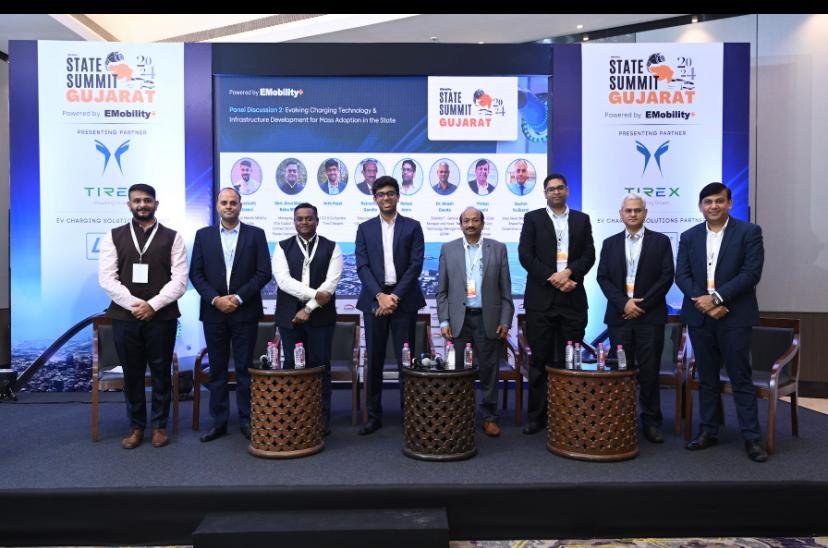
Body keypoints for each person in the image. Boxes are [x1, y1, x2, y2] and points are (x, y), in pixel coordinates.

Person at [676, 182, 768, 462]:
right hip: (700, 316)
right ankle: (709, 430)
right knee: (706, 378)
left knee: (740, 377)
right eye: (708, 202)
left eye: (719, 201)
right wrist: (703, 302)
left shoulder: (749, 232)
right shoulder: (689, 236)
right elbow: (682, 275)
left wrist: (716, 299)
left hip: (734, 316)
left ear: (729, 203)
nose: (713, 206)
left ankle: (752, 438)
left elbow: (751, 273)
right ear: (700, 206)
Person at [98, 183, 187, 449]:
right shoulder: (113, 236)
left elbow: (180, 280)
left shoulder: (173, 237)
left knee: (161, 373)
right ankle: (136, 427)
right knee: (132, 374)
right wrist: (137, 305)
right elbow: (107, 279)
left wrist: (153, 306)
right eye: (137, 201)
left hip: (162, 317)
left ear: (156, 204)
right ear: (129, 205)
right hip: (125, 318)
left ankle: (159, 426)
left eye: (147, 200)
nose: (142, 205)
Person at [189, 187, 273, 442]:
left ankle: (247, 419)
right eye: (224, 202)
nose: (228, 206)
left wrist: (237, 298)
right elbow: (196, 273)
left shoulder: (255, 234)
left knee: (245, 368)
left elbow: (263, 273)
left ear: (240, 206)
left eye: (233, 202)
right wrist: (216, 299)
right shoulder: (203, 235)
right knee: (217, 369)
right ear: (217, 206)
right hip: (214, 312)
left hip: (244, 311)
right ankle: (219, 422)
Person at [518, 173, 595, 434]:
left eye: (560, 188)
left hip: (572, 299)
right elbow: (525, 256)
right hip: (541, 301)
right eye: (551, 189)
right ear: (545, 193)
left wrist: (569, 273)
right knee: (539, 360)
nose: (556, 192)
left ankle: (567, 415)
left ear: (567, 190)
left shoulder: (582, 220)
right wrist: (554, 277)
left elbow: (589, 255)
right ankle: (537, 417)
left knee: (569, 360)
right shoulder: (533, 219)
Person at [596, 193, 674, 444]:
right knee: (620, 370)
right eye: (628, 210)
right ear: (621, 214)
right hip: (619, 317)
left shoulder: (660, 242)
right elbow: (602, 277)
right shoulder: (609, 243)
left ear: (645, 213)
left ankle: (651, 422)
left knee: (649, 372)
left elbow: (666, 277)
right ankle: (620, 419)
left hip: (649, 318)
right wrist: (624, 303)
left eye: (637, 210)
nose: (632, 214)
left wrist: (641, 305)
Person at [355, 175, 426, 435]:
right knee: (374, 360)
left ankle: (411, 414)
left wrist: (394, 296)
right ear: (375, 198)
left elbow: (415, 265)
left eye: (390, 193)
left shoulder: (413, 227)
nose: (386, 198)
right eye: (381, 194)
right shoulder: (365, 228)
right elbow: (362, 266)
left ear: (398, 196)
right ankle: (374, 415)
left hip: (403, 300)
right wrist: (380, 295)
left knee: (406, 359)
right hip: (375, 301)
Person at [436, 207, 514, 437]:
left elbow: (505, 290)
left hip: (487, 319)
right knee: (458, 371)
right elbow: (442, 291)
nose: (470, 224)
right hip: (459, 320)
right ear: (460, 224)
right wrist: (443, 321)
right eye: (466, 221)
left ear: (482, 223)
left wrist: (505, 321)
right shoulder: (448, 249)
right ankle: (460, 415)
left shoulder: (498, 248)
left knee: (489, 370)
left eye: (475, 220)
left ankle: (489, 417)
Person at [273, 203, 343, 435]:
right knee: (292, 368)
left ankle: (320, 421)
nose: (304, 222)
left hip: (321, 317)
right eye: (300, 218)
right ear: (294, 221)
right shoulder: (282, 247)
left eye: (309, 218)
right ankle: (293, 418)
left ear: (317, 220)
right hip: (289, 317)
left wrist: (310, 307)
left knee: (320, 367)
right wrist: (315, 294)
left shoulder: (332, 247)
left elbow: (330, 285)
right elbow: (284, 281)